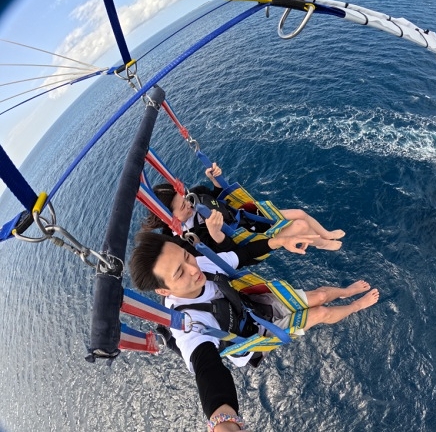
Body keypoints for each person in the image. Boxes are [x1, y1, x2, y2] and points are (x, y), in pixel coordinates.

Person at [129, 231, 379, 431]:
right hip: (252, 339)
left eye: (186, 256)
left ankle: (346, 292)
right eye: (180, 273)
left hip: (253, 305)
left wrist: (281, 241)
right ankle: (355, 306)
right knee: (320, 313)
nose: (193, 269)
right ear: (164, 290)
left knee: (320, 296)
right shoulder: (188, 323)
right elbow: (208, 369)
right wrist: (223, 423)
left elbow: (243, 254)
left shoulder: (202, 265)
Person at [141, 163, 346, 257]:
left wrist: (216, 180)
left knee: (300, 213)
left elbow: (218, 197)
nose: (189, 203)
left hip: (245, 217)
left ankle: (326, 234)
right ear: (171, 218)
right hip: (244, 239)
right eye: (183, 206)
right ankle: (324, 244)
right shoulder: (188, 238)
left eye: (185, 197)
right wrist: (215, 234)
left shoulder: (196, 194)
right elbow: (224, 255)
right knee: (300, 226)